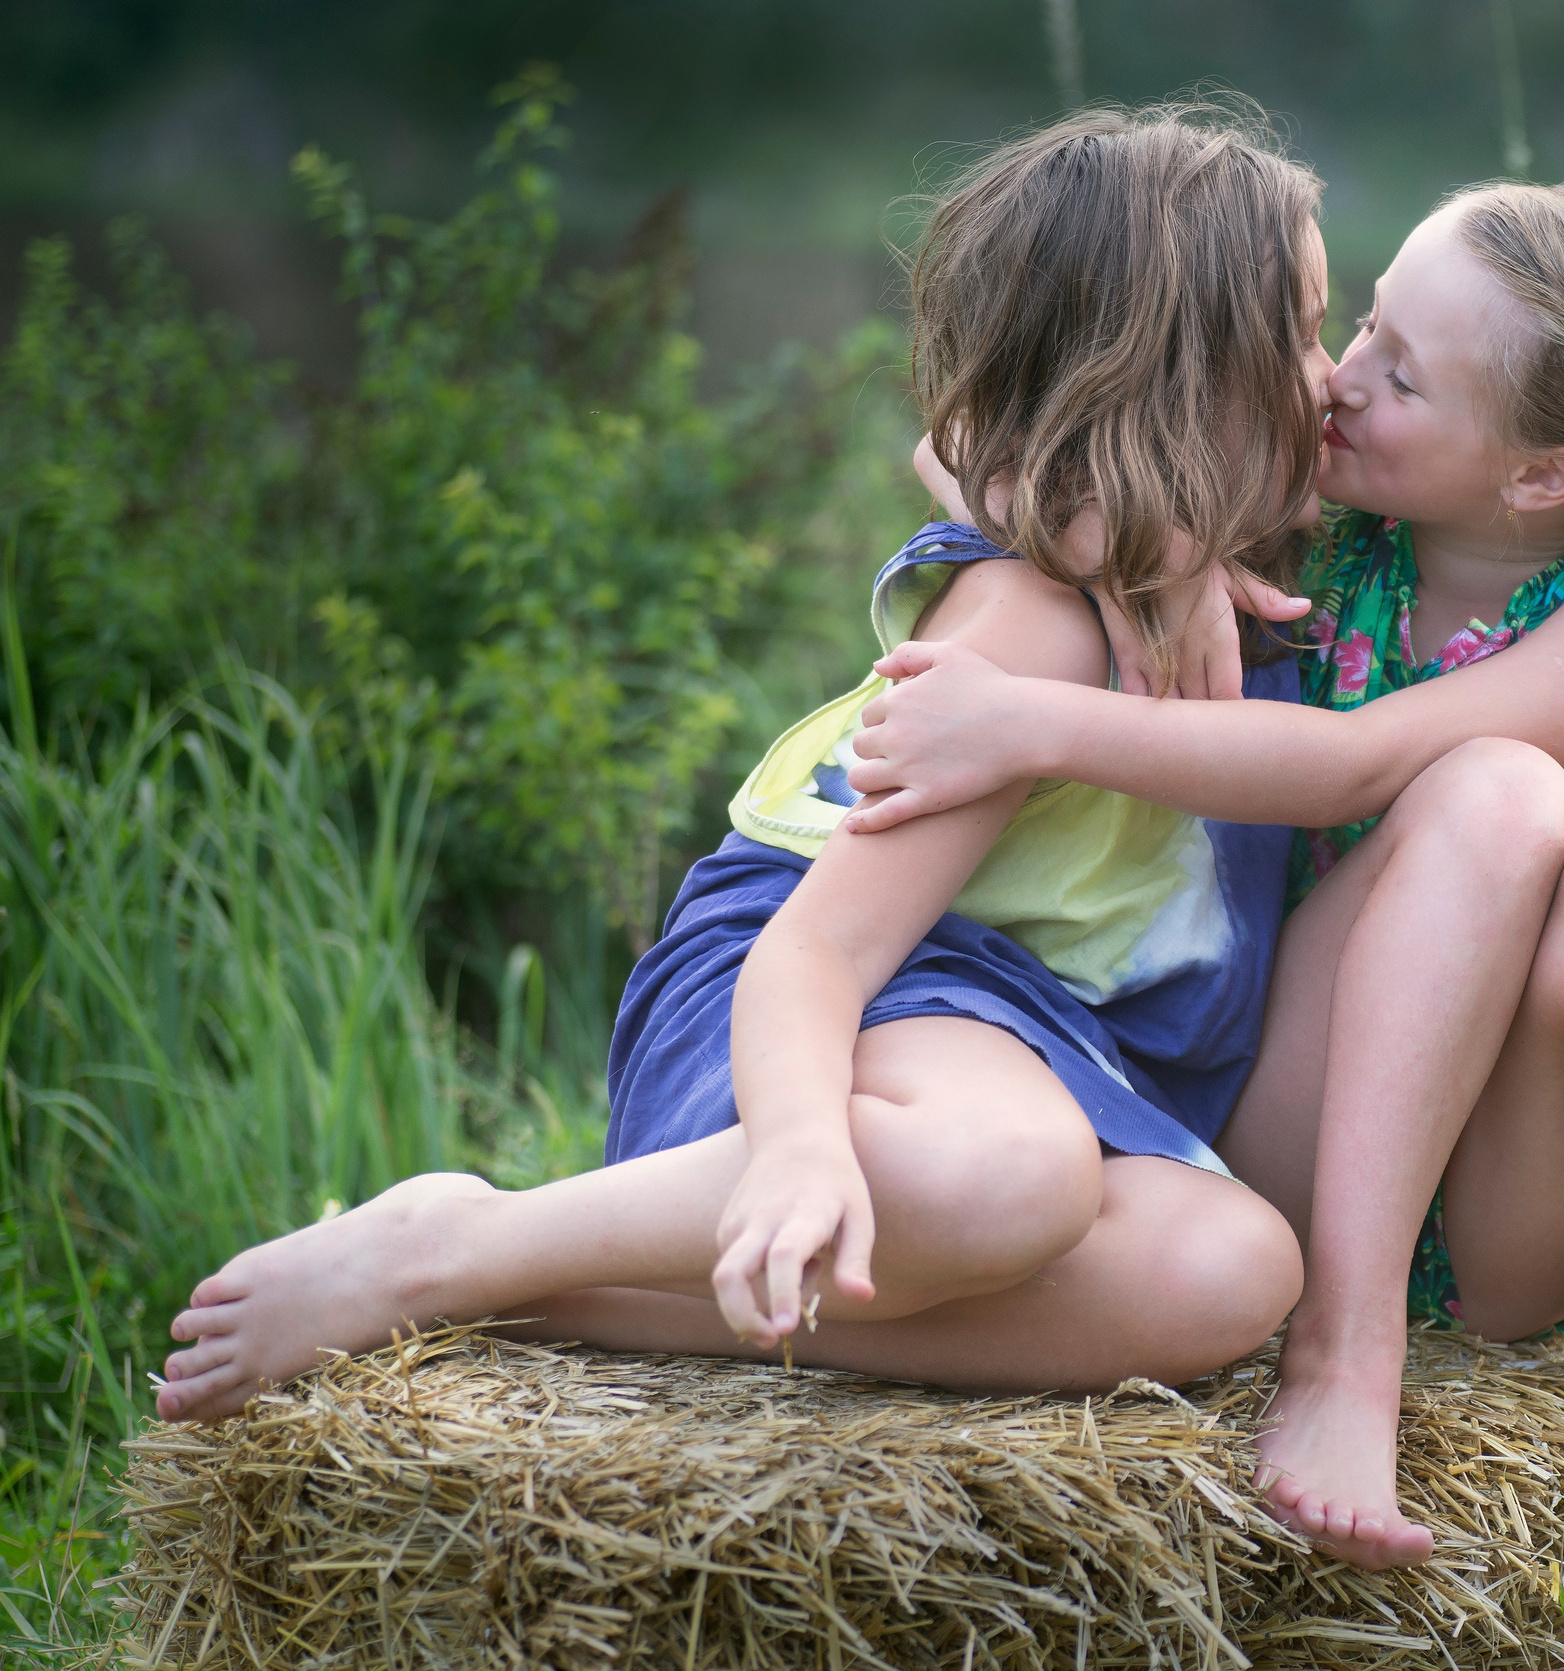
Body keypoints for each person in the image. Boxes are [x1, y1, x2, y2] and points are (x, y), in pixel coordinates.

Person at [150, 102, 1378, 1423]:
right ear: (1184, 379)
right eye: (1300, 332)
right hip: (820, 1004)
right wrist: (797, 1149)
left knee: (1233, 1272)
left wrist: (1172, 541)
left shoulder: (1260, 572)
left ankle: (531, 1300)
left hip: (1036, 1052)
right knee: (1000, 1183)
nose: (1336, 376)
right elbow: (818, 954)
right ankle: (456, 1241)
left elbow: (959, 451)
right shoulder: (1033, 626)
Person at [852, 181, 1564, 1589]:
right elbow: (955, 440)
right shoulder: (1313, 517)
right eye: (1365, 321)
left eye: (1403, 374)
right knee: (1502, 796)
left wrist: (1045, 721)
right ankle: (1337, 1344)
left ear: (1542, 476)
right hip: (1286, 1137)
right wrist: (1152, 559)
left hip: (1500, 1208)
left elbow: (1360, 769)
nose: (1341, 380)